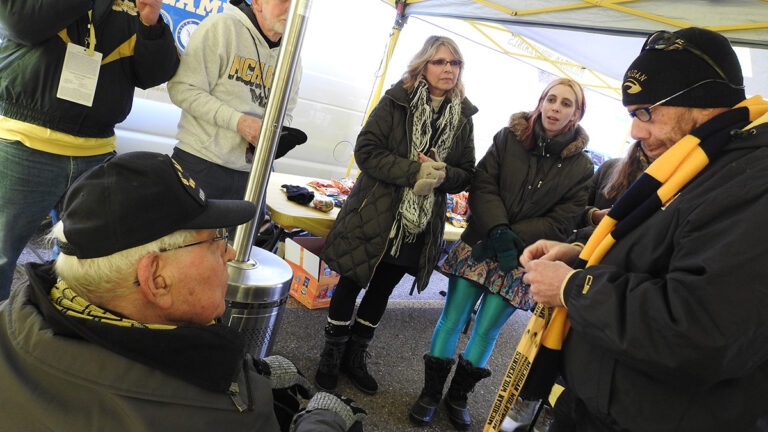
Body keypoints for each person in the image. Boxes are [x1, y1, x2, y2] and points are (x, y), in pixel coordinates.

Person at [0, 151, 366, 431]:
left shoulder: (12, 315)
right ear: (157, 279)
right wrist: (322, 422)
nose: (230, 251)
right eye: (213, 241)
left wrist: (248, 374)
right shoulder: (216, 417)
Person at [520, 27, 768, 431]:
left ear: (702, 102)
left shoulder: (752, 180)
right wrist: (581, 251)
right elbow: (658, 243)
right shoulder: (700, 162)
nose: (635, 131)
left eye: (645, 112)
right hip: (602, 404)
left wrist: (573, 288)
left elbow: (700, 329)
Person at [409, 77, 593, 430]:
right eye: (551, 99)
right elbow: (483, 184)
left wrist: (513, 238)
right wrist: (497, 229)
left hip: (522, 259)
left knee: (487, 331)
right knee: (452, 318)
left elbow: (565, 219)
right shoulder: (508, 138)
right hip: (481, 242)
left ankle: (458, 398)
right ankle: (430, 393)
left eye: (566, 103)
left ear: (577, 113)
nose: (556, 108)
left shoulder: (582, 167)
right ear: (540, 102)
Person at [314, 35, 478, 397]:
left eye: (455, 63)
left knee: (383, 288)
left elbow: (466, 172)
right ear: (423, 65)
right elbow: (366, 152)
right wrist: (414, 172)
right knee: (352, 281)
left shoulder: (463, 116)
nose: (448, 69)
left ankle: (356, 356)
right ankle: (331, 355)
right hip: (376, 211)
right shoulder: (396, 101)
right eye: (440, 62)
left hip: (418, 223)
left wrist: (441, 174)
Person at [0, 0, 180, 300]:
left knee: (82, 263)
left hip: (96, 153)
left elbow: (153, 75)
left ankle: (54, 336)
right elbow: (19, 22)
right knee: (3, 255)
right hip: (23, 143)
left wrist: (151, 24)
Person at [167, 0, 302, 204]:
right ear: (256, 2)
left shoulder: (292, 55)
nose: (290, 8)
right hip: (201, 163)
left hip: (253, 173)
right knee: (189, 236)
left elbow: (287, 110)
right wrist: (238, 122)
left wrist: (277, 133)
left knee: (243, 236)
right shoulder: (221, 28)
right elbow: (182, 88)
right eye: (283, 0)